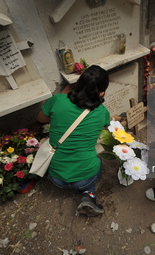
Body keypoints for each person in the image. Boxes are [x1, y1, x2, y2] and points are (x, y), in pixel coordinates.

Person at [37, 65, 110, 216]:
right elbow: (104, 128)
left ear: (77, 84)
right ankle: (88, 194)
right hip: (85, 178)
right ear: (101, 92)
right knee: (98, 159)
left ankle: (84, 192)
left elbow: (40, 118)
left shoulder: (58, 100)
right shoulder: (102, 112)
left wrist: (63, 93)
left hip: (56, 178)